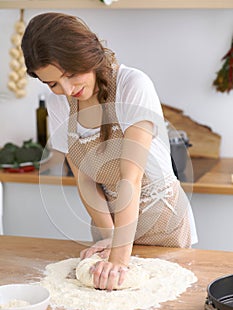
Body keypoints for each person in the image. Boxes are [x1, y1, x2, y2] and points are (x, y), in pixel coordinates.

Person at [21, 12, 198, 291]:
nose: (67, 89)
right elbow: (85, 177)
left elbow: (131, 177)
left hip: (162, 222)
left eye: (70, 74)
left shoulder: (132, 85)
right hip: (109, 222)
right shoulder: (60, 106)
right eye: (52, 83)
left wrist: (119, 256)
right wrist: (108, 235)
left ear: (86, 56)